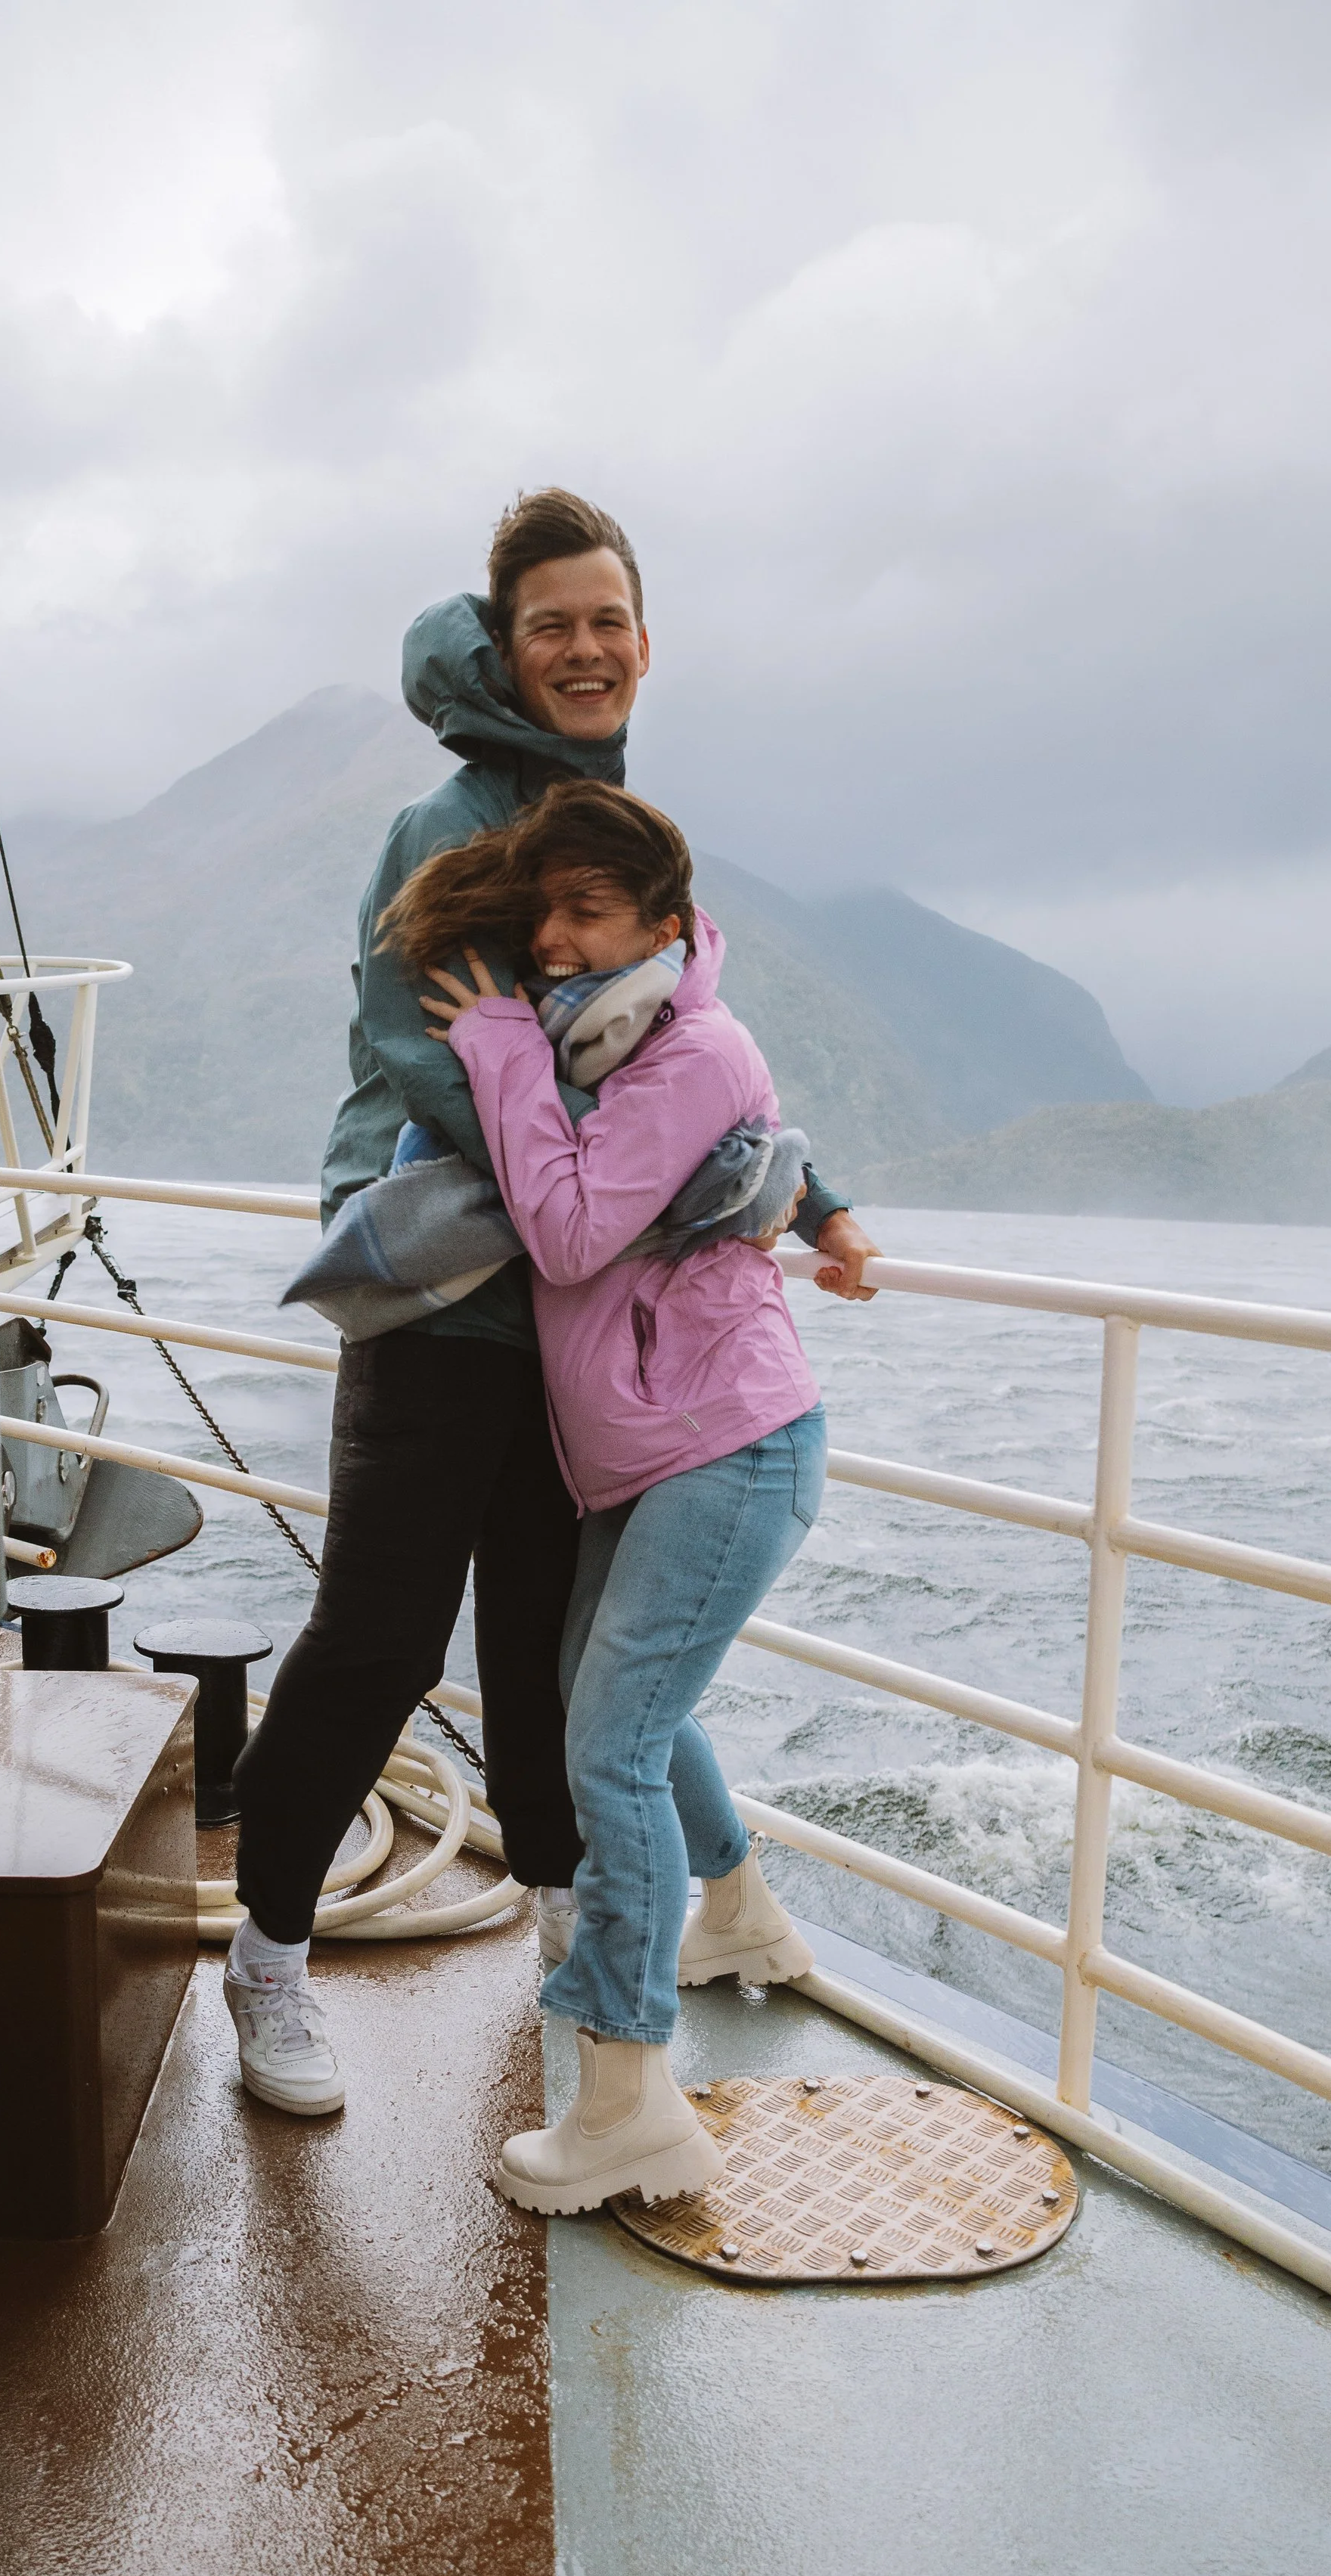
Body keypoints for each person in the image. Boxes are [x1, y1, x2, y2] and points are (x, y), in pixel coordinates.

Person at [224, 491, 878, 2119]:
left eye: (607, 621)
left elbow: (683, 1054)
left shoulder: (617, 826)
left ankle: (572, 1928)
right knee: (377, 1633)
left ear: (642, 641)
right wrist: (574, 1188)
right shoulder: (446, 826)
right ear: (503, 645)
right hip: (446, 1309)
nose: (583, 650)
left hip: (576, 1328)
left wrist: (821, 1191)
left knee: (538, 1645)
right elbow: (401, 1044)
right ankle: (266, 1954)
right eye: (550, 626)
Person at [413, 783, 832, 2212]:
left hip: (728, 1442)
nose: (556, 939)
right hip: (660, 1448)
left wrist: (497, 1042)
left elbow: (577, 1230)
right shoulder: (627, 1034)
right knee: (625, 1708)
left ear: (664, 923)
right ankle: (743, 1914)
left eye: (588, 911)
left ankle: (628, 2098)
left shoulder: (687, 1046)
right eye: (546, 915)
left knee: (610, 1743)